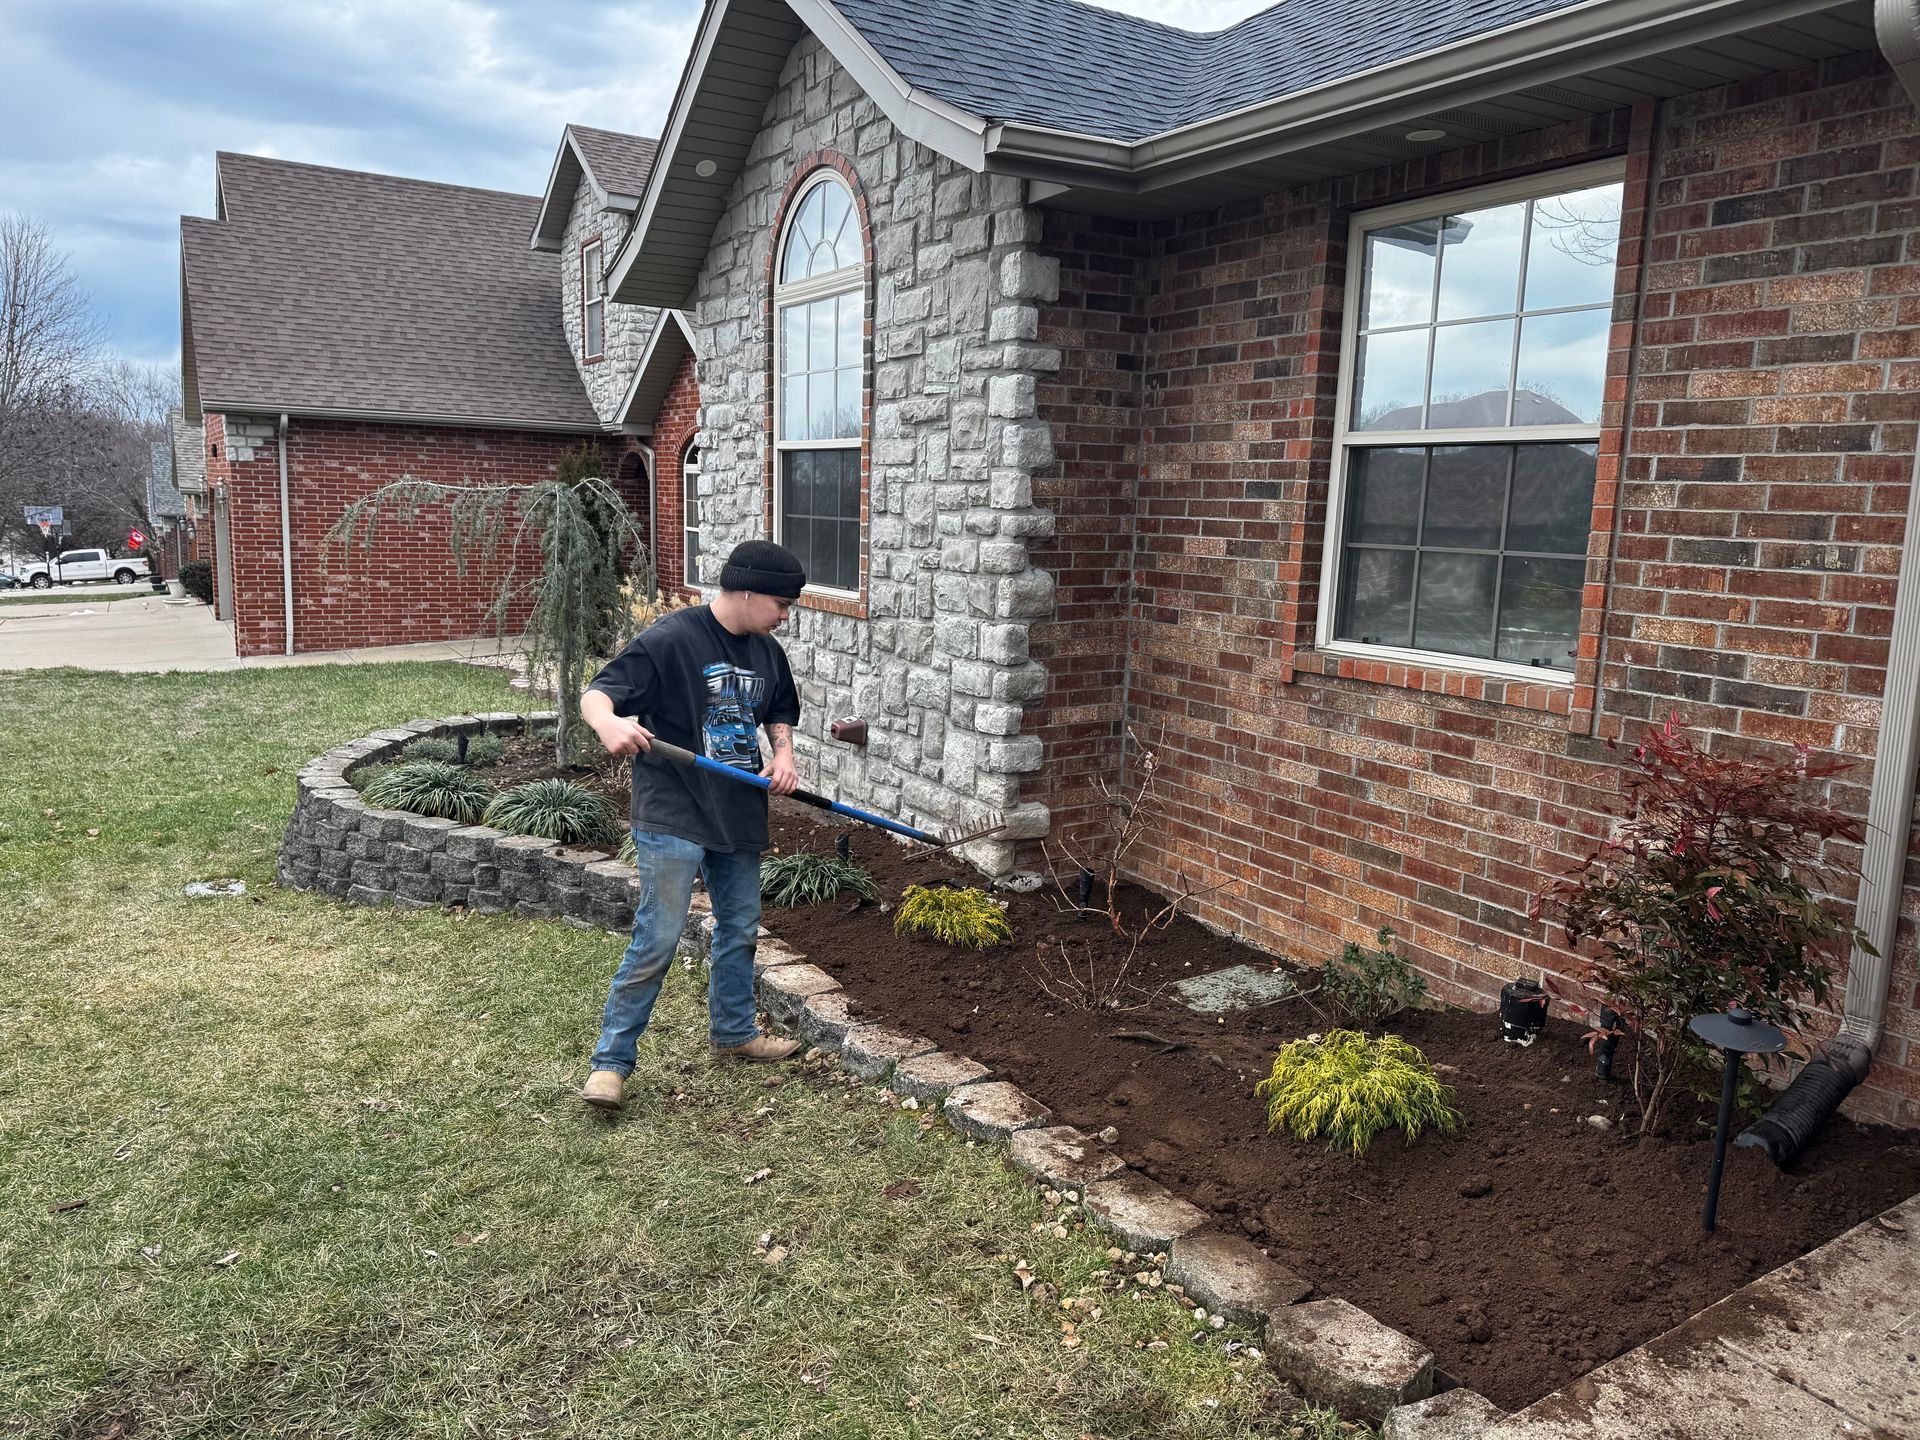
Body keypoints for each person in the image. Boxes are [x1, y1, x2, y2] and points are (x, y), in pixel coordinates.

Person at [578, 540, 808, 1112]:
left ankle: (733, 1035)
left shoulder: (767, 652)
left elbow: (779, 707)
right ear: (747, 591)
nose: (786, 615)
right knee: (658, 934)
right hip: (674, 805)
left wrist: (782, 756)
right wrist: (609, 725)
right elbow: (599, 694)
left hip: (737, 806)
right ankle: (610, 1065)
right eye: (782, 604)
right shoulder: (673, 637)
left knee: (741, 928)